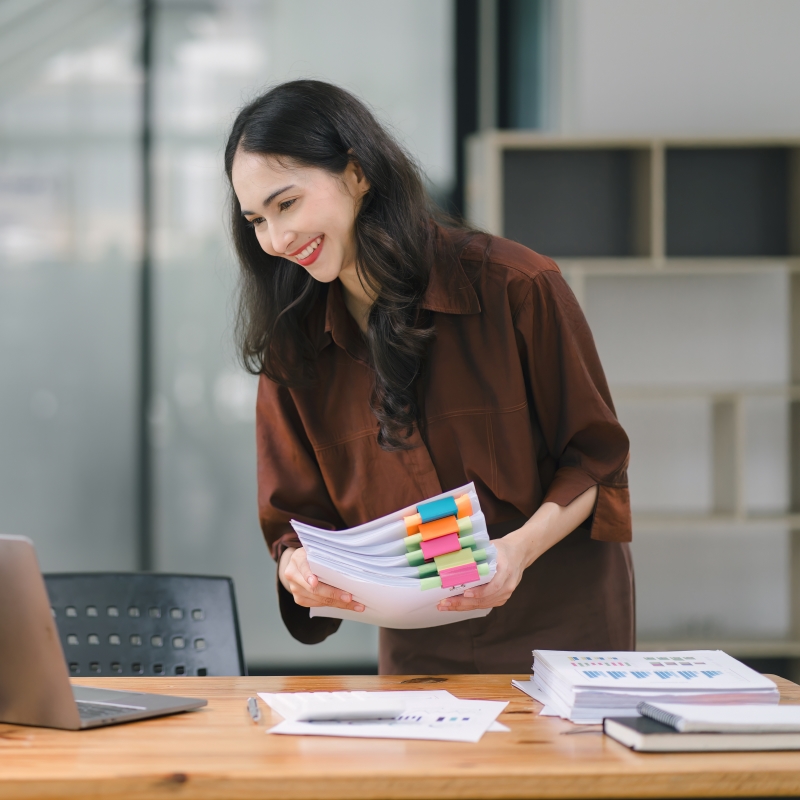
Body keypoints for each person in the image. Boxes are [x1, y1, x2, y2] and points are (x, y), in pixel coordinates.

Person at [225, 80, 633, 674]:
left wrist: (514, 553)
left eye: (287, 204)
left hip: (562, 623)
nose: (276, 240)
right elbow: (296, 520)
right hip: (420, 642)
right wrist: (296, 566)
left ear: (357, 172)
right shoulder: (296, 349)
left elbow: (596, 461)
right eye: (256, 220)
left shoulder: (517, 287)